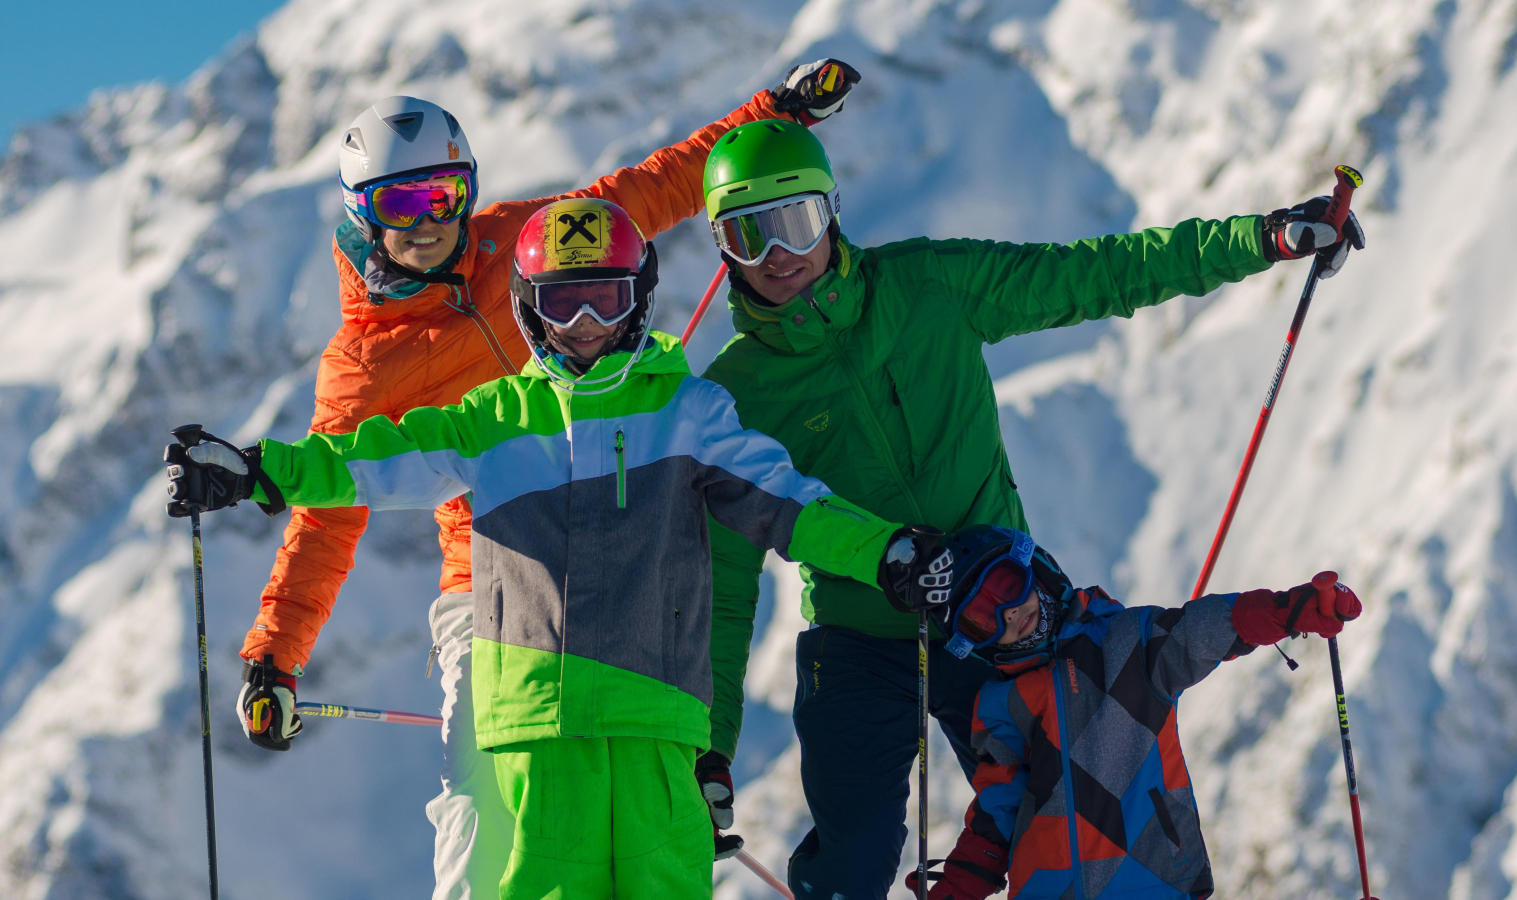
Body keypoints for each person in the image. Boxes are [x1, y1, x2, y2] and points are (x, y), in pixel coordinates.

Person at [173, 197, 951, 899]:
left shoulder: (688, 414)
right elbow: (370, 458)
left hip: (654, 725)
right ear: (527, 308)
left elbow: (790, 504)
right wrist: (256, 471)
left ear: (638, 298)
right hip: (532, 733)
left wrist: (882, 553)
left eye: (604, 299)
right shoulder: (495, 418)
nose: (582, 324)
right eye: (560, 301)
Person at [232, 60, 860, 899]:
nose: (429, 222)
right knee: (479, 802)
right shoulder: (365, 362)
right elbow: (328, 511)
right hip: (497, 576)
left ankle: (687, 799)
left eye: (444, 195)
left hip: (632, 536)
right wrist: (274, 656)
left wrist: (772, 116)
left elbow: (649, 192)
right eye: (400, 204)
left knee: (662, 733)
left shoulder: (523, 242)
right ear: (360, 213)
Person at [690, 120, 1366, 899]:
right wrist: (710, 750)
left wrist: (1262, 239)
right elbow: (724, 593)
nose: (779, 253)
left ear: (832, 214)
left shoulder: (928, 284)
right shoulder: (735, 397)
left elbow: (1096, 274)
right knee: (855, 850)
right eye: (748, 234)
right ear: (722, 248)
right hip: (857, 637)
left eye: (797, 221)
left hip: (999, 618)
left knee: (1056, 812)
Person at [881, 525, 1363, 899]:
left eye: (1006, 585)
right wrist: (957, 888)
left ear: (1036, 568)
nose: (1006, 612)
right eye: (980, 618)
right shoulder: (1000, 705)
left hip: (1155, 881)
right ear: (973, 641)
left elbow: (1205, 629)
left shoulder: (1128, 643)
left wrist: (1288, 610)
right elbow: (996, 815)